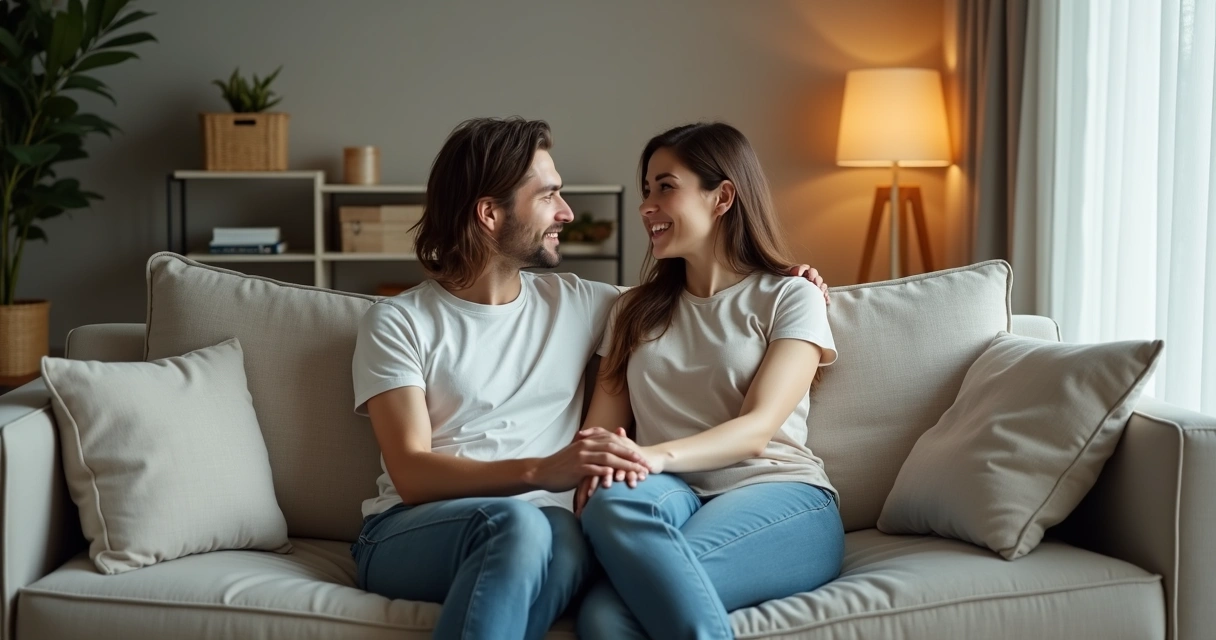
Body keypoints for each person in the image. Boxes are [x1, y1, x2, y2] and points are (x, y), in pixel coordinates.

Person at [349, 116, 830, 640]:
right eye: (549, 196)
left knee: (594, 598)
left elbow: (718, 325)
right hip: (423, 527)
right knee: (524, 524)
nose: (567, 213)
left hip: (563, 528)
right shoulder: (400, 321)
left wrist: (798, 280)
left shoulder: (588, 303)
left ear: (723, 197)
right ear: (489, 213)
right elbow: (412, 475)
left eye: (662, 188)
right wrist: (546, 471)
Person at [574, 122, 845, 640]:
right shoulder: (632, 310)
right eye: (646, 191)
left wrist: (655, 455)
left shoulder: (790, 296)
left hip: (777, 491)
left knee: (607, 615)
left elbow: (758, 428)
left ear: (722, 197)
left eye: (665, 187)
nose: (646, 206)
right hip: (669, 493)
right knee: (609, 504)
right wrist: (607, 464)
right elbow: (603, 436)